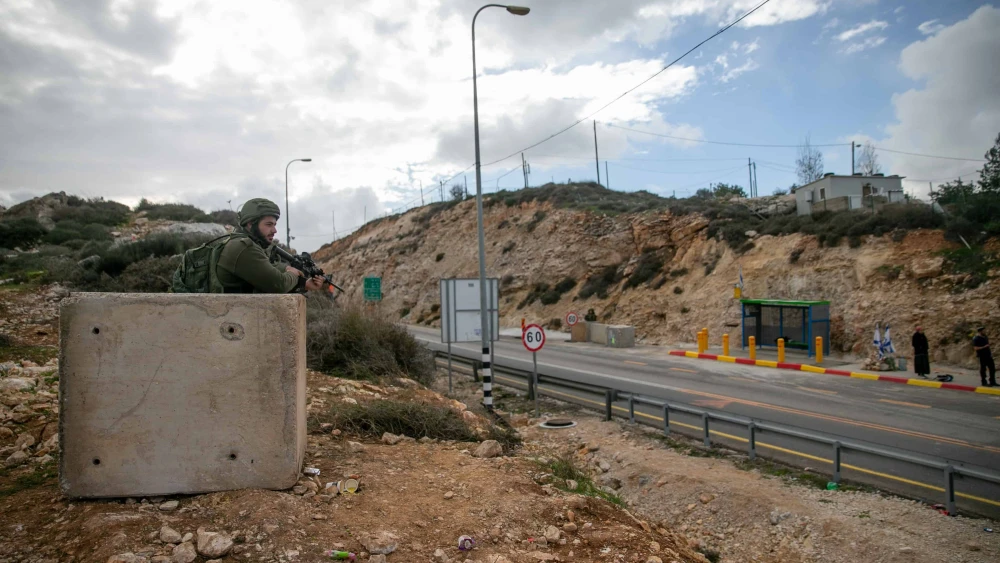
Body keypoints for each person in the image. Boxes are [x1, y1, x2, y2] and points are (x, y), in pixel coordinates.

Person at [216, 198, 326, 294]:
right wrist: (294, 274)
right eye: (269, 224)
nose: (274, 230)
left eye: (274, 225)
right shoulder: (244, 247)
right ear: (250, 224)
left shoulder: (246, 244)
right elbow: (279, 285)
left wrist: (304, 283)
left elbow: (268, 268)